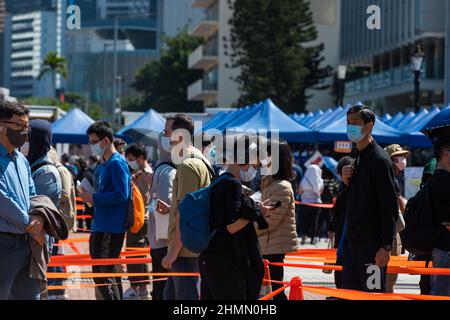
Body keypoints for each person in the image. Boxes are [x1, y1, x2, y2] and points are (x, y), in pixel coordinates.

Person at [199, 135, 269, 300]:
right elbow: (231, 226)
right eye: (256, 163)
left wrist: (254, 209)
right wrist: (257, 213)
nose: (257, 167)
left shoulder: (221, 180)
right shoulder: (232, 184)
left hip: (213, 257)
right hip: (224, 260)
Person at [340, 105, 399, 293]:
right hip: (353, 245)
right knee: (349, 295)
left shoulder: (380, 160)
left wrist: (386, 245)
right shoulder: (357, 157)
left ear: (369, 126)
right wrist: (346, 182)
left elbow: (389, 206)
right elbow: (356, 199)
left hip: (372, 248)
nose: (351, 127)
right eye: (348, 123)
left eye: (355, 123)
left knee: (371, 296)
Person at [161, 114, 213, 300]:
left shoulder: (188, 166)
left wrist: (172, 252)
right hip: (191, 245)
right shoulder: (200, 161)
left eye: (167, 133)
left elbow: (186, 213)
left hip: (185, 250)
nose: (164, 137)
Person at [79, 121, 131, 300]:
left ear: (106, 141)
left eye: (94, 142)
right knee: (106, 274)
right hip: (100, 224)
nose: (91, 146)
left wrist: (93, 198)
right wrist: (91, 196)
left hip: (111, 226)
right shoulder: (103, 165)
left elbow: (122, 194)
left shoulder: (117, 163)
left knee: (103, 275)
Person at [0, 101, 42, 300]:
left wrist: (39, 221)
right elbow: (3, 201)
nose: (24, 131)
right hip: (4, 243)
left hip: (27, 243)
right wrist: (31, 224)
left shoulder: (21, 159)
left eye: (27, 126)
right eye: (19, 125)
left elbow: (33, 194)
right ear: (2, 126)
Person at [256, 140, 298, 300]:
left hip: (273, 248)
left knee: (275, 290)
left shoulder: (281, 187)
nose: (261, 160)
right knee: (270, 290)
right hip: (267, 245)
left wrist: (244, 226)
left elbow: (269, 221)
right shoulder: (268, 183)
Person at [27, 120, 63, 300]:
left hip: (36, 245)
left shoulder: (46, 172)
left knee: (34, 291)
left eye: (27, 137)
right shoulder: (29, 164)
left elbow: (36, 208)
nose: (23, 142)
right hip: (26, 243)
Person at [147, 131, 177, 300]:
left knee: (160, 288)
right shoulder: (169, 172)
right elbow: (164, 207)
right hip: (166, 241)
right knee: (166, 291)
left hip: (157, 240)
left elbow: (155, 205)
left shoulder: (160, 168)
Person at [123, 143, 153, 300]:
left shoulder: (145, 174)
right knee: (140, 254)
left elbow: (145, 197)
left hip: (139, 219)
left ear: (141, 158)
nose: (129, 162)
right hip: (143, 218)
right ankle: (142, 288)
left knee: (134, 254)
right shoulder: (142, 173)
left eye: (131, 159)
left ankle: (135, 287)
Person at [384, 144, 410, 293]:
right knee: (390, 275)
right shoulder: (390, 178)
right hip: (391, 232)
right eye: (397, 157)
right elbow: (401, 203)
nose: (402, 159)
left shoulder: (393, 177)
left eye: (403, 156)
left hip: (394, 230)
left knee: (391, 274)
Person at [427, 137, 450, 296]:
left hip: (440, 247)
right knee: (442, 294)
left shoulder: (435, 179)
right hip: (445, 248)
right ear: (446, 154)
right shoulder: (444, 180)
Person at [329, 156, 353, 289]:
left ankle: (341, 290)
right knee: (341, 261)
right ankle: (341, 290)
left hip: (344, 230)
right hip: (343, 229)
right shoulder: (345, 187)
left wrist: (331, 226)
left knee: (341, 261)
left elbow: (336, 208)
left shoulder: (343, 187)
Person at [298, 164, 324, 245]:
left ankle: (303, 237)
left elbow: (300, 191)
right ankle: (313, 238)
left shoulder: (303, 180)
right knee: (314, 222)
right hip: (316, 204)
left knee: (304, 221)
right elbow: (320, 192)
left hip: (305, 204)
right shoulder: (320, 181)